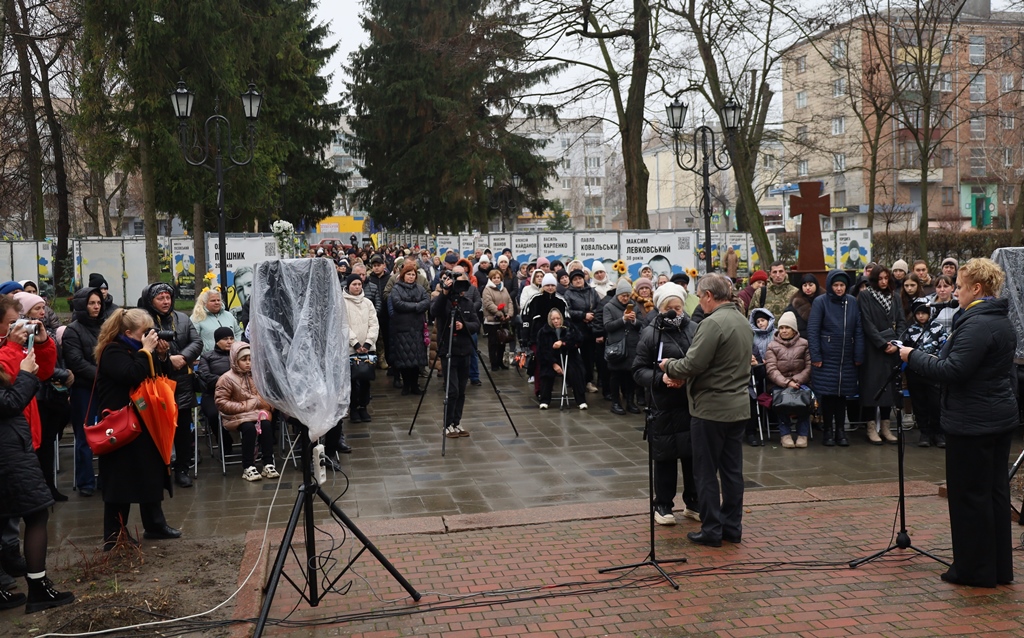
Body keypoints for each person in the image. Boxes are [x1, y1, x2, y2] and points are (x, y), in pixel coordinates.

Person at [899, 258, 1018, 588]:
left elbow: (953, 370)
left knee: (970, 497)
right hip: (995, 417)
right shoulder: (998, 320)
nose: (957, 293)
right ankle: (997, 568)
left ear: (977, 289)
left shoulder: (977, 324)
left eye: (961, 287)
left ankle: (975, 571)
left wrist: (913, 356)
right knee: (993, 494)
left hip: (974, 422)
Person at [659, 274, 752, 547]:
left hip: (711, 410)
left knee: (706, 472)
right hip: (737, 407)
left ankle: (712, 529)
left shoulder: (713, 323)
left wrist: (668, 367)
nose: (698, 301)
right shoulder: (741, 319)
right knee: (733, 472)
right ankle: (732, 527)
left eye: (700, 296)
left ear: (710, 296)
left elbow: (693, 364)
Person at [0, 324, 74, 613]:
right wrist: (26, 376)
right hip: (8, 449)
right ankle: (38, 588)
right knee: (36, 512)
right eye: (10, 322)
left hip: (13, 442)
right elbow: (9, 403)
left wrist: (40, 347)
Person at [93, 309, 181, 551]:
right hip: (121, 425)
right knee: (120, 480)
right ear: (128, 332)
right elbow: (131, 374)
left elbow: (158, 378)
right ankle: (115, 535)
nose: (151, 335)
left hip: (145, 421)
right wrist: (146, 351)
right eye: (145, 332)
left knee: (150, 472)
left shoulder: (141, 350)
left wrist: (161, 356)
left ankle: (155, 524)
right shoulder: (113, 350)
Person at [633, 283, 699, 525]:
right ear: (660, 309)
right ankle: (663, 505)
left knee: (693, 456)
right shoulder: (651, 334)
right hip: (663, 405)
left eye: (678, 307)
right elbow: (638, 370)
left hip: (691, 403)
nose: (675, 312)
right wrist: (662, 378)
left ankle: (694, 502)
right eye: (669, 308)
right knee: (665, 457)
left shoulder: (694, 328)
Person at [138, 283, 202, 487]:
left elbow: (197, 342)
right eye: (160, 298)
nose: (166, 302)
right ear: (150, 300)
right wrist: (165, 356)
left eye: (168, 298)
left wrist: (182, 357)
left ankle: (182, 469)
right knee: (157, 427)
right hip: (155, 381)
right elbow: (139, 348)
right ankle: (160, 468)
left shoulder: (181, 318)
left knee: (183, 428)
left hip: (181, 381)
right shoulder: (143, 320)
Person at [62, 286, 111, 497]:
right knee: (85, 435)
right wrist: (103, 375)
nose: (96, 307)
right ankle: (86, 481)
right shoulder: (73, 330)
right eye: (92, 303)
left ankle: (107, 478)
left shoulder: (105, 327)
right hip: (85, 390)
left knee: (109, 433)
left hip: (106, 388)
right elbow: (76, 362)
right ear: (83, 305)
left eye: (98, 303)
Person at [807, 270, 864, 447]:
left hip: (846, 358)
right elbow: (813, 330)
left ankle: (841, 430)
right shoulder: (820, 302)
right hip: (826, 357)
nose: (839, 289)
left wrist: (858, 354)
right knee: (828, 396)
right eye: (836, 285)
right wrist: (816, 355)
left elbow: (858, 330)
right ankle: (828, 431)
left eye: (842, 285)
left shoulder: (852, 302)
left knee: (842, 397)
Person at [215, 342, 278, 481]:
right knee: (249, 428)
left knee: (267, 426)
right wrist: (245, 406)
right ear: (235, 360)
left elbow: (268, 394)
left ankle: (268, 463)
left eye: (250, 359)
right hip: (237, 416)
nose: (248, 363)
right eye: (244, 360)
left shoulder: (257, 375)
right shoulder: (226, 379)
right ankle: (248, 466)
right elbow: (221, 402)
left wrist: (268, 405)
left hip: (259, 413)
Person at [857, 265, 905, 445]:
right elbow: (867, 323)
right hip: (873, 348)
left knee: (889, 387)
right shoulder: (866, 295)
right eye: (880, 279)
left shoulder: (895, 296)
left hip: (892, 347)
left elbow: (901, 321)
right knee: (872, 387)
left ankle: (886, 426)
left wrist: (897, 343)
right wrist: (882, 343)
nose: (884, 282)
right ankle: (871, 427)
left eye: (886, 278)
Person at [431, 268, 479, 438]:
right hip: (448, 350)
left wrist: (463, 325)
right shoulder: (443, 300)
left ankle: (456, 423)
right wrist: (444, 291)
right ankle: (447, 424)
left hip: (465, 350)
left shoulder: (466, 302)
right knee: (452, 390)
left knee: (462, 390)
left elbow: (476, 324)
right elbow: (433, 312)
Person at [899, 299, 946, 448]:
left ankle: (938, 432)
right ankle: (924, 432)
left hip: (933, 372)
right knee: (919, 403)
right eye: (917, 313)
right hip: (915, 372)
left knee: (935, 403)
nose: (921, 316)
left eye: (923, 313)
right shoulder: (910, 330)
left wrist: (937, 359)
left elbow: (944, 347)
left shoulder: (938, 328)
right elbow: (905, 349)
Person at [765, 311, 811, 448]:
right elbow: (771, 369)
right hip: (780, 383)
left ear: (794, 329)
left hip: (800, 382)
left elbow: (809, 367)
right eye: (781, 328)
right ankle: (785, 434)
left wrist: (797, 380)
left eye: (787, 328)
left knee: (805, 399)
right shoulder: (772, 346)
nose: (784, 331)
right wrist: (787, 383)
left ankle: (803, 434)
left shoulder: (804, 344)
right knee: (782, 401)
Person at [390, 261, 431, 396]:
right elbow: (397, 303)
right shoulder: (397, 288)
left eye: (413, 274)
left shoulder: (420, 288)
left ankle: (415, 385)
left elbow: (426, 300)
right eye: (408, 274)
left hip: (417, 328)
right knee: (404, 359)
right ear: (403, 275)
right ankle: (406, 385)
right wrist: (415, 306)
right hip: (403, 328)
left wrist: (416, 306)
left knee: (416, 360)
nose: (411, 277)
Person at [603, 279, 643, 416]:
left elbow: (642, 324)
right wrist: (623, 320)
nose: (626, 298)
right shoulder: (609, 307)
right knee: (616, 375)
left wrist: (634, 320)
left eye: (628, 295)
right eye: (623, 296)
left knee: (630, 376)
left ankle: (631, 402)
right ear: (618, 295)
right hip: (617, 346)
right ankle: (616, 402)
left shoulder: (634, 306)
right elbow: (608, 326)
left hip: (632, 345)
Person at [343, 274, 379, 423]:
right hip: (351, 349)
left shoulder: (367, 303)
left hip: (367, 349)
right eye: (354, 284)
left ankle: (363, 407)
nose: (357, 287)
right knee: (352, 380)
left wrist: (368, 343)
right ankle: (353, 408)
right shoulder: (342, 303)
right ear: (348, 285)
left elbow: (374, 324)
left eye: (359, 284)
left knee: (365, 379)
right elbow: (343, 325)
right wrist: (356, 344)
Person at [535, 309, 587, 410]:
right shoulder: (544, 331)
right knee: (546, 373)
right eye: (553, 319)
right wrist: (554, 364)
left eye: (558, 318)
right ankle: (545, 400)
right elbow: (542, 351)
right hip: (551, 359)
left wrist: (563, 342)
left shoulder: (569, 327)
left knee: (575, 372)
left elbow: (579, 339)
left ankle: (581, 400)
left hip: (569, 357)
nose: (556, 321)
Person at [195, 327, 235, 454]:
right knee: (213, 414)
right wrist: (228, 382)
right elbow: (205, 376)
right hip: (213, 394)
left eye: (231, 338)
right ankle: (224, 441)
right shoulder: (207, 357)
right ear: (217, 341)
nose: (229, 341)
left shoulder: (240, 355)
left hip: (239, 394)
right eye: (225, 339)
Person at [563, 269, 603, 393]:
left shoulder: (592, 291)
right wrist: (582, 315)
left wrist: (591, 315)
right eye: (575, 279)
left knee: (590, 357)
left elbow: (599, 307)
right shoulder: (568, 294)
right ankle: (575, 380)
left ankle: (588, 381)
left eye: (580, 278)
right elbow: (567, 311)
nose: (578, 281)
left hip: (591, 329)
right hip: (576, 329)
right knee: (576, 357)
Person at [746, 308, 775, 447]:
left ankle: (751, 433)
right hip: (730, 382)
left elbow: (761, 374)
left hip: (748, 383)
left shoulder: (752, 347)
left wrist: (756, 364)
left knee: (751, 398)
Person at [190, 289, 240, 353]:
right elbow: (192, 340)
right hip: (208, 359)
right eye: (213, 300)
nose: (217, 302)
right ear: (205, 303)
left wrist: (237, 347)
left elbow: (238, 332)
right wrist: (197, 358)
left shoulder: (229, 315)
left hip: (231, 356)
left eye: (218, 300)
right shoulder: (197, 318)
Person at [482, 269, 513, 371]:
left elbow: (509, 302)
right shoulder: (487, 290)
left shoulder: (504, 289)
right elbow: (489, 304)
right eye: (494, 278)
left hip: (503, 321)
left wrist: (509, 314)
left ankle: (500, 362)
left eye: (498, 278)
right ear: (491, 279)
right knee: (493, 343)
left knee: (502, 342)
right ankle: (494, 363)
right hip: (492, 321)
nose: (496, 280)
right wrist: (500, 314)